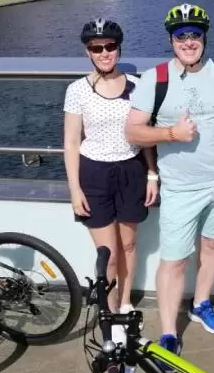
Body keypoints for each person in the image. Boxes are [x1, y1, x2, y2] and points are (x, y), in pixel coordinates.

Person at [126, 4, 214, 356]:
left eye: (195, 35)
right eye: (181, 36)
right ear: (171, 41)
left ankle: (201, 303)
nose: (189, 42)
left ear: (205, 37)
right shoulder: (155, 79)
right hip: (180, 186)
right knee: (174, 260)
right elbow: (133, 132)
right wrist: (172, 133)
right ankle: (169, 332)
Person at [63, 17, 158, 325]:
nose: (104, 53)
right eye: (96, 48)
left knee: (129, 244)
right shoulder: (77, 90)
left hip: (131, 170)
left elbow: (145, 135)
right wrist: (75, 189)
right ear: (88, 52)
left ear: (119, 49)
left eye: (110, 46)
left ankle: (126, 301)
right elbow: (72, 141)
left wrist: (152, 173)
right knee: (109, 253)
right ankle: (111, 308)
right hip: (94, 174)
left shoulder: (138, 87)